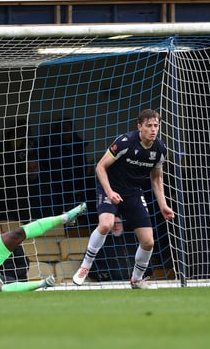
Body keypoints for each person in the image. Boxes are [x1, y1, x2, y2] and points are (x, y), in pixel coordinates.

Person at [73, 109, 174, 289]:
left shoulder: (160, 149)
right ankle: (85, 266)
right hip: (110, 188)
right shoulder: (125, 142)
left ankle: (136, 279)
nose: (153, 129)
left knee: (148, 241)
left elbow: (157, 179)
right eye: (149, 125)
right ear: (139, 127)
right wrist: (110, 191)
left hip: (133, 193)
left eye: (156, 126)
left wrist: (163, 205)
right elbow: (100, 167)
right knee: (106, 224)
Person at [88, 215, 134, 282]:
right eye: (113, 223)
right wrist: (106, 276)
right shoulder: (101, 243)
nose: (116, 225)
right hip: (110, 284)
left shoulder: (132, 241)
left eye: (118, 223)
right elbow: (92, 267)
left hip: (134, 281)